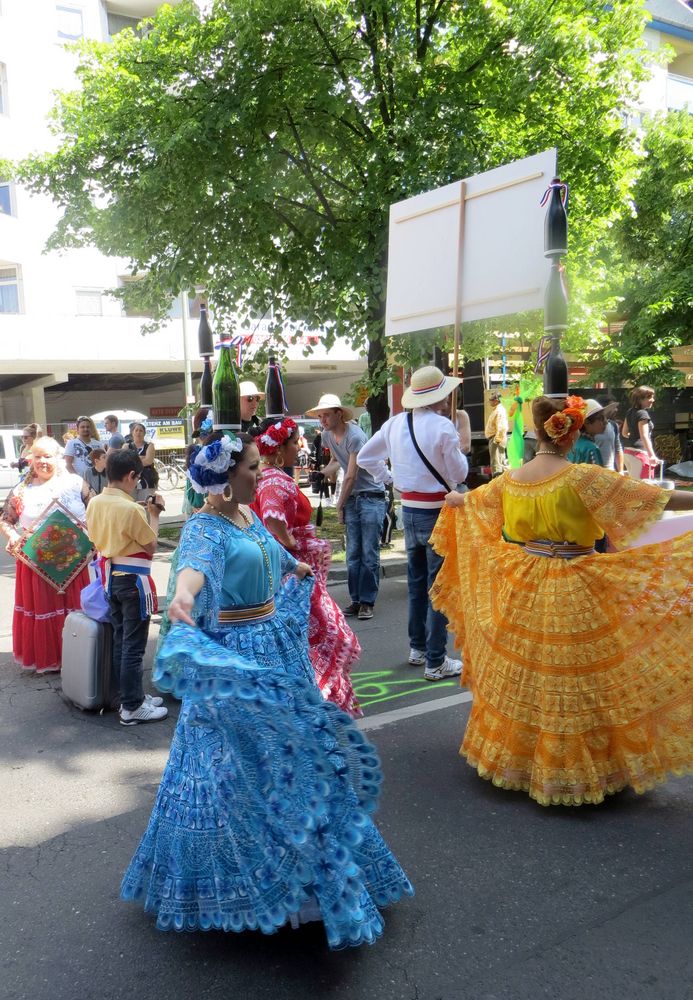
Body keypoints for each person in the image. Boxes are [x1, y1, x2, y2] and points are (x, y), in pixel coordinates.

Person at [121, 431, 413, 945]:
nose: (260, 473)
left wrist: (293, 564)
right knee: (237, 768)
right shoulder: (203, 529)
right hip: (239, 658)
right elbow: (193, 572)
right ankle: (253, 882)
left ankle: (310, 880)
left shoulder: (245, 513)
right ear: (226, 478)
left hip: (276, 647)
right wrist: (184, 599)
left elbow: (267, 551)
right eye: (252, 467)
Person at [430, 395, 693, 807]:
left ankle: (524, 761)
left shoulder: (512, 479)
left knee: (532, 673)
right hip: (578, 580)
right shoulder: (582, 477)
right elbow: (653, 500)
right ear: (569, 432)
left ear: (538, 432)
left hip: (525, 578)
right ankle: (578, 770)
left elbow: (467, 501)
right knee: (579, 677)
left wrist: (452, 498)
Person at [357, 366, 468, 682]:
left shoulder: (394, 424)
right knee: (438, 586)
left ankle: (418, 648)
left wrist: (389, 479)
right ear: (440, 396)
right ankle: (435, 659)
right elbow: (459, 475)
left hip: (410, 510)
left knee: (418, 583)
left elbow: (366, 458)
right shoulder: (444, 427)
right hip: (437, 513)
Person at [251, 416, 362, 716]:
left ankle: (314, 701)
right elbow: (273, 519)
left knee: (313, 636)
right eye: (294, 441)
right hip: (293, 576)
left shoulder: (273, 476)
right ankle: (312, 702)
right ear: (279, 449)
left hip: (292, 572)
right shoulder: (274, 479)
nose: (298, 446)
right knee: (318, 635)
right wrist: (291, 543)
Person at [86, 449, 167, 726]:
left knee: (122, 640)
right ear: (131, 475)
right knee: (133, 645)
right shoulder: (131, 508)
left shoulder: (95, 502)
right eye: (137, 478)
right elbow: (151, 545)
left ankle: (129, 697)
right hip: (133, 580)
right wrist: (153, 514)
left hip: (111, 578)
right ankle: (132, 706)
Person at [0, 436, 93, 673]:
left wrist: (93, 536)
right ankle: (52, 659)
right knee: (44, 609)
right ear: (30, 459)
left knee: (75, 610)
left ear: (58, 457)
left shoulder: (75, 482)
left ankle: (78, 656)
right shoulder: (22, 489)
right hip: (37, 566)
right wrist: (13, 537)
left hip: (75, 563)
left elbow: (96, 510)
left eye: (47, 456)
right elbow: (6, 521)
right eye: (37, 456)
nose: (42, 461)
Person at [305, 393, 386, 621]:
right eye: (320, 416)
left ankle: (367, 601)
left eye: (326, 415)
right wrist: (320, 474)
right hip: (354, 497)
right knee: (353, 553)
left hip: (371, 495)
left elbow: (350, 475)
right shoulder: (330, 436)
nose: (323, 420)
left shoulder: (355, 436)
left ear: (339, 414)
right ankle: (356, 600)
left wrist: (339, 505)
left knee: (368, 552)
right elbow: (336, 463)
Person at [622, 385, 659, 479]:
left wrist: (634, 435)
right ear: (640, 399)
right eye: (649, 397)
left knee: (633, 486)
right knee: (642, 488)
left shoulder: (630, 411)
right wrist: (652, 456)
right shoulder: (643, 414)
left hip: (627, 453)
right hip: (638, 455)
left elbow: (624, 433)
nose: (653, 400)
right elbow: (644, 436)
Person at [566, 399, 606, 465]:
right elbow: (598, 475)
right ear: (586, 422)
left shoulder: (570, 444)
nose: (605, 422)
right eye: (601, 418)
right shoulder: (591, 448)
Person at [594, 397, 624, 472]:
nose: (616, 410)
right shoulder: (591, 428)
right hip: (595, 472)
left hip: (611, 471)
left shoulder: (614, 425)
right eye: (613, 407)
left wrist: (621, 471)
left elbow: (618, 449)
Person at [128, 422, 158, 494]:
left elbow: (148, 461)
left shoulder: (150, 445)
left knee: (147, 503)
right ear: (132, 433)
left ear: (144, 433)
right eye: (136, 430)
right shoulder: (126, 446)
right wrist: (141, 457)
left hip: (147, 480)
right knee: (132, 503)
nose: (138, 432)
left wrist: (132, 460)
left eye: (141, 431)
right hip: (130, 481)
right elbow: (125, 462)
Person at [485, 391, 508, 476]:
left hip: (496, 439)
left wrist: (497, 440)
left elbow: (502, 427)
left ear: (497, 400)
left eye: (491, 399)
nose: (490, 401)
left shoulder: (499, 411)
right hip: (495, 438)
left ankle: (498, 485)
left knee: (497, 465)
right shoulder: (497, 410)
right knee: (497, 463)